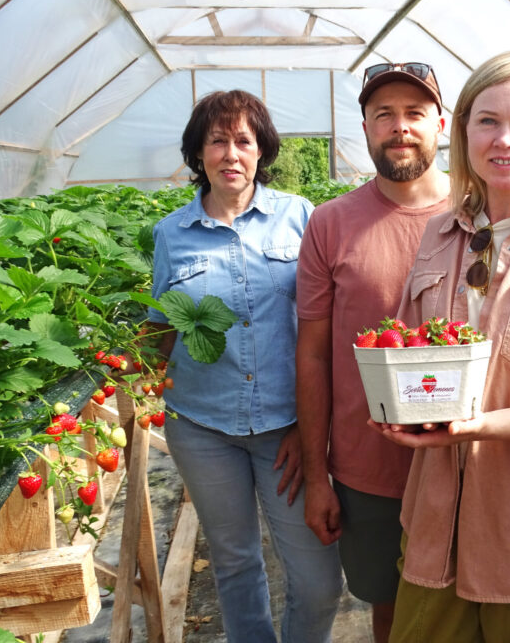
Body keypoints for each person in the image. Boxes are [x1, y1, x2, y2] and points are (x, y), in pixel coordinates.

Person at [296, 62, 510, 642]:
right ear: (464, 133)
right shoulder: (441, 234)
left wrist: (474, 425)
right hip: (435, 522)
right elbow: (411, 352)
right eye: (488, 122)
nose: (504, 139)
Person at [146, 90, 342, 643]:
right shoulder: (170, 234)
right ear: (198, 154)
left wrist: (312, 428)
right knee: (234, 565)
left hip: (288, 426)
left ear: (261, 152)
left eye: (243, 141)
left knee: (319, 578)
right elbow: (159, 325)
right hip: (202, 426)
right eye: (216, 141)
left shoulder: (301, 218)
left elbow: (327, 324)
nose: (230, 153)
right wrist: (113, 367)